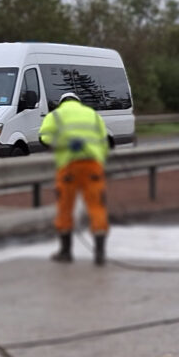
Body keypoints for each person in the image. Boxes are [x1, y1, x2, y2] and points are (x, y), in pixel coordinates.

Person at [39, 91, 110, 265]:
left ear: (62, 102)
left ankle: (65, 252)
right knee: (96, 206)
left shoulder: (55, 115)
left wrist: (61, 145)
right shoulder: (93, 115)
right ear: (78, 102)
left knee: (65, 206)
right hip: (93, 165)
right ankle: (99, 252)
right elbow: (104, 142)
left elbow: (44, 139)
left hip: (68, 166)